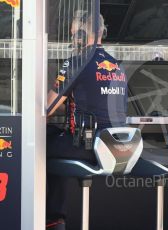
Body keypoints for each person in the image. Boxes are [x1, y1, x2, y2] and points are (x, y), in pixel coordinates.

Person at [46, 13, 127, 230]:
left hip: (89, 146)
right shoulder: (116, 65)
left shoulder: (77, 62)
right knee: (53, 137)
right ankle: (55, 220)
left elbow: (47, 109)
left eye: (74, 33)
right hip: (118, 146)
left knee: (37, 145)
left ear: (84, 33)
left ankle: (52, 219)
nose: (72, 37)